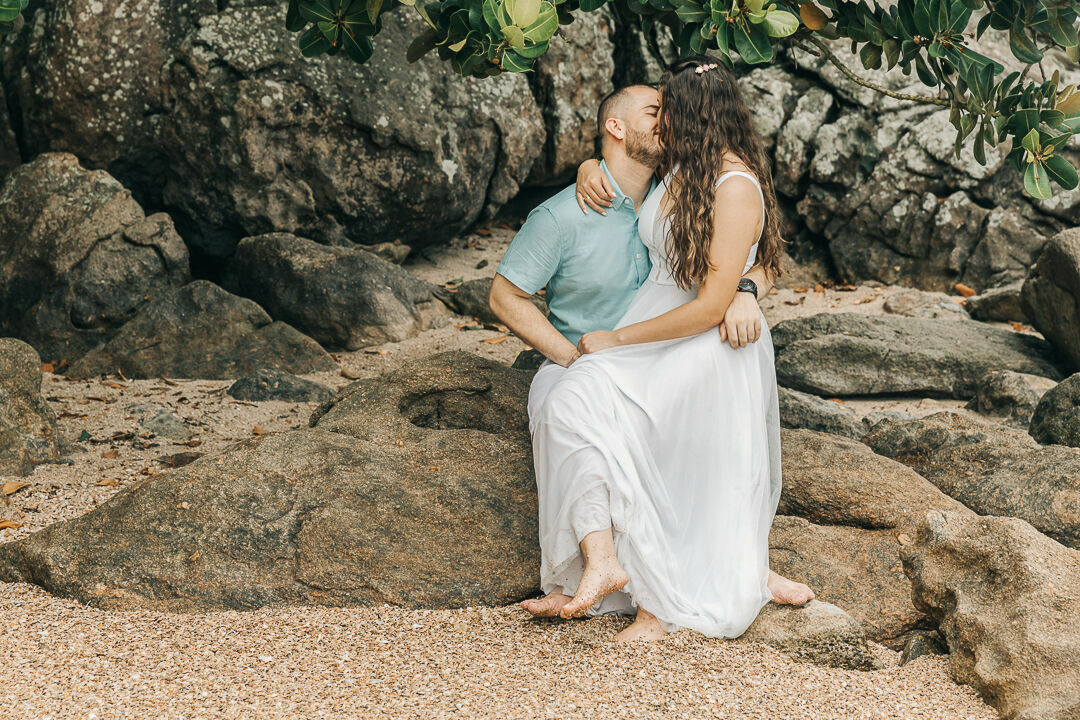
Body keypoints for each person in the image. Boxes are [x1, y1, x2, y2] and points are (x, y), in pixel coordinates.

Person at [489, 76, 813, 639]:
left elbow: (758, 252)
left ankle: (729, 574)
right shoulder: (601, 198)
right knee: (580, 406)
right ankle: (610, 567)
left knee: (679, 442)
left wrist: (746, 292)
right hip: (626, 343)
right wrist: (590, 167)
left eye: (670, 109)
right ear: (617, 128)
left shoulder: (694, 177)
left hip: (673, 336)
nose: (663, 121)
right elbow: (502, 296)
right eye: (653, 111)